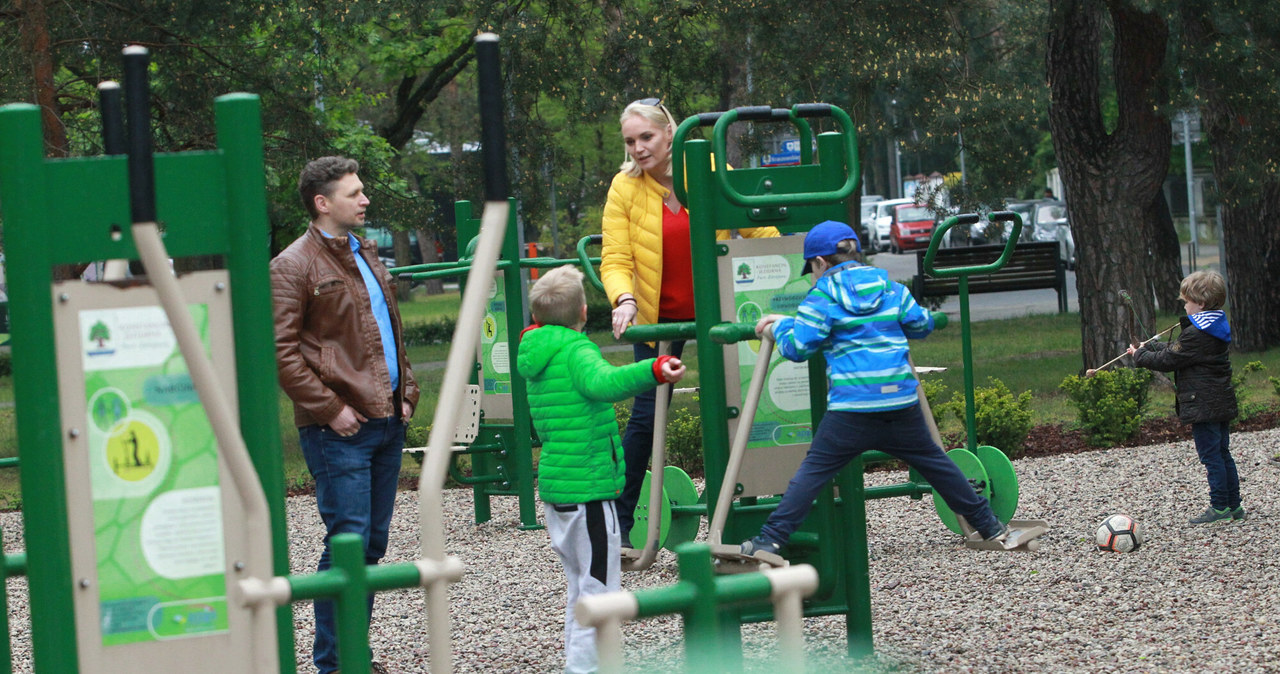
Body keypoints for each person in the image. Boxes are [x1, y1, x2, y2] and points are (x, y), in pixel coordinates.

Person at [739, 220, 1009, 557]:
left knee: (813, 473)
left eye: (810, 268)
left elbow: (799, 347)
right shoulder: (890, 288)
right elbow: (920, 324)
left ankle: (771, 539)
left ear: (820, 263)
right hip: (900, 401)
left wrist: (779, 327)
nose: (811, 275)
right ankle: (990, 525)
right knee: (937, 465)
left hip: (853, 409)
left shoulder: (821, 296)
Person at [600, 97, 778, 543]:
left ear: (670, 133)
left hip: (716, 308)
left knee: (736, 402)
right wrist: (623, 300)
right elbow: (616, 257)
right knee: (646, 415)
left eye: (646, 137)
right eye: (630, 141)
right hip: (657, 313)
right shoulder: (624, 187)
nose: (638, 148)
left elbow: (756, 224)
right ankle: (618, 526)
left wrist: (790, 262)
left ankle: (755, 509)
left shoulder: (709, 167)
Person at [271, 156, 419, 674]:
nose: (365, 199)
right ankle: (336, 665)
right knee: (349, 544)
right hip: (340, 430)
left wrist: (408, 393)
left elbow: (388, 330)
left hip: (385, 421)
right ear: (322, 202)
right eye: (354, 193)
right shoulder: (293, 265)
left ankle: (352, 654)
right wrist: (331, 410)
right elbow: (280, 352)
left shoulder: (365, 252)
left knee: (370, 545)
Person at [516, 265, 686, 674]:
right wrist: (654, 369)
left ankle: (584, 663)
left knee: (581, 584)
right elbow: (604, 383)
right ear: (583, 311)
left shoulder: (537, 350)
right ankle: (587, 669)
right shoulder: (576, 350)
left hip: (561, 490)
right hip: (589, 489)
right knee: (600, 590)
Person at [1129, 270, 1242, 524]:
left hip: (1203, 405)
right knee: (1223, 454)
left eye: (1187, 302)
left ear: (1200, 303)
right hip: (1219, 401)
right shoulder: (1213, 326)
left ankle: (1220, 507)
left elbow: (1169, 360)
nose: (1185, 306)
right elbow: (1176, 351)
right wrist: (1149, 347)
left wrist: (1139, 356)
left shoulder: (1196, 334)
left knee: (1211, 457)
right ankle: (1234, 506)